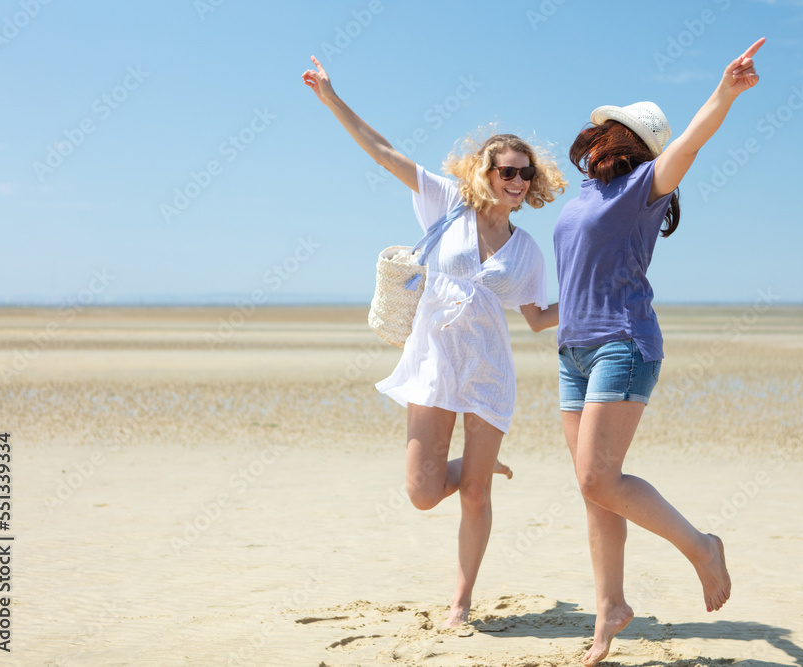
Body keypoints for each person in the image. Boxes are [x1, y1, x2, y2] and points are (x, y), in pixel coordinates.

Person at [302, 56, 565, 627]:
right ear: (485, 171)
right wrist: (331, 98)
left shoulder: (528, 252)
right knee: (422, 492)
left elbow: (540, 318)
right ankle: (477, 464)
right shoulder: (446, 203)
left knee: (474, 496)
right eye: (506, 171)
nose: (516, 181)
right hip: (431, 364)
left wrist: (598, 300)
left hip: (489, 369)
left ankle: (461, 601)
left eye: (525, 174)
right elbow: (383, 152)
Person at [553, 38, 766, 666]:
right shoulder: (583, 197)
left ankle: (702, 545)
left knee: (598, 476)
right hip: (573, 351)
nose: (590, 140)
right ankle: (610, 609)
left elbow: (690, 144)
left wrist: (724, 92)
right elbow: (578, 275)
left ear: (623, 143)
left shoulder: (647, 184)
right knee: (596, 489)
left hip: (624, 341)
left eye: (603, 133)